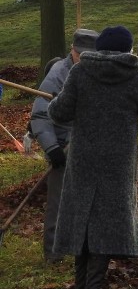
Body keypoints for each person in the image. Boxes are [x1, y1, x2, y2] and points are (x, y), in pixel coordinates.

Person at [48, 25, 138, 289]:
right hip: (117, 163)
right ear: (127, 49)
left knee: (84, 224)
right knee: (105, 225)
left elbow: (59, 113)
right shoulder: (137, 77)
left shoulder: (80, 72)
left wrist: (58, 101)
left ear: (99, 48)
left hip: (83, 160)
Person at [30, 28, 99, 264]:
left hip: (88, 144)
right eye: (80, 54)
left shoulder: (97, 71)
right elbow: (39, 116)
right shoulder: (58, 75)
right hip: (62, 144)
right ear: (72, 50)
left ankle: (88, 249)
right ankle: (53, 252)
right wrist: (51, 148)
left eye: (89, 55)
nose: (84, 59)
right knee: (59, 202)